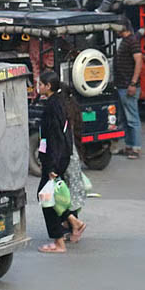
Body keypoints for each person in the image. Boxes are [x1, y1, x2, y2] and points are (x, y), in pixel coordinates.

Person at [36, 71, 86, 254]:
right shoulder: (56, 103)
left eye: (40, 84)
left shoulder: (53, 106)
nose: (38, 87)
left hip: (54, 161)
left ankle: (59, 242)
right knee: (51, 197)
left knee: (46, 198)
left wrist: (52, 167)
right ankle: (73, 221)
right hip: (57, 159)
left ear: (48, 86)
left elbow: (56, 138)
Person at [114, 17, 143, 159]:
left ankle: (136, 148)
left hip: (128, 86)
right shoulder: (124, 41)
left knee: (133, 118)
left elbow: (139, 61)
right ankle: (129, 146)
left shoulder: (132, 41)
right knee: (125, 119)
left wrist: (133, 83)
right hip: (121, 85)